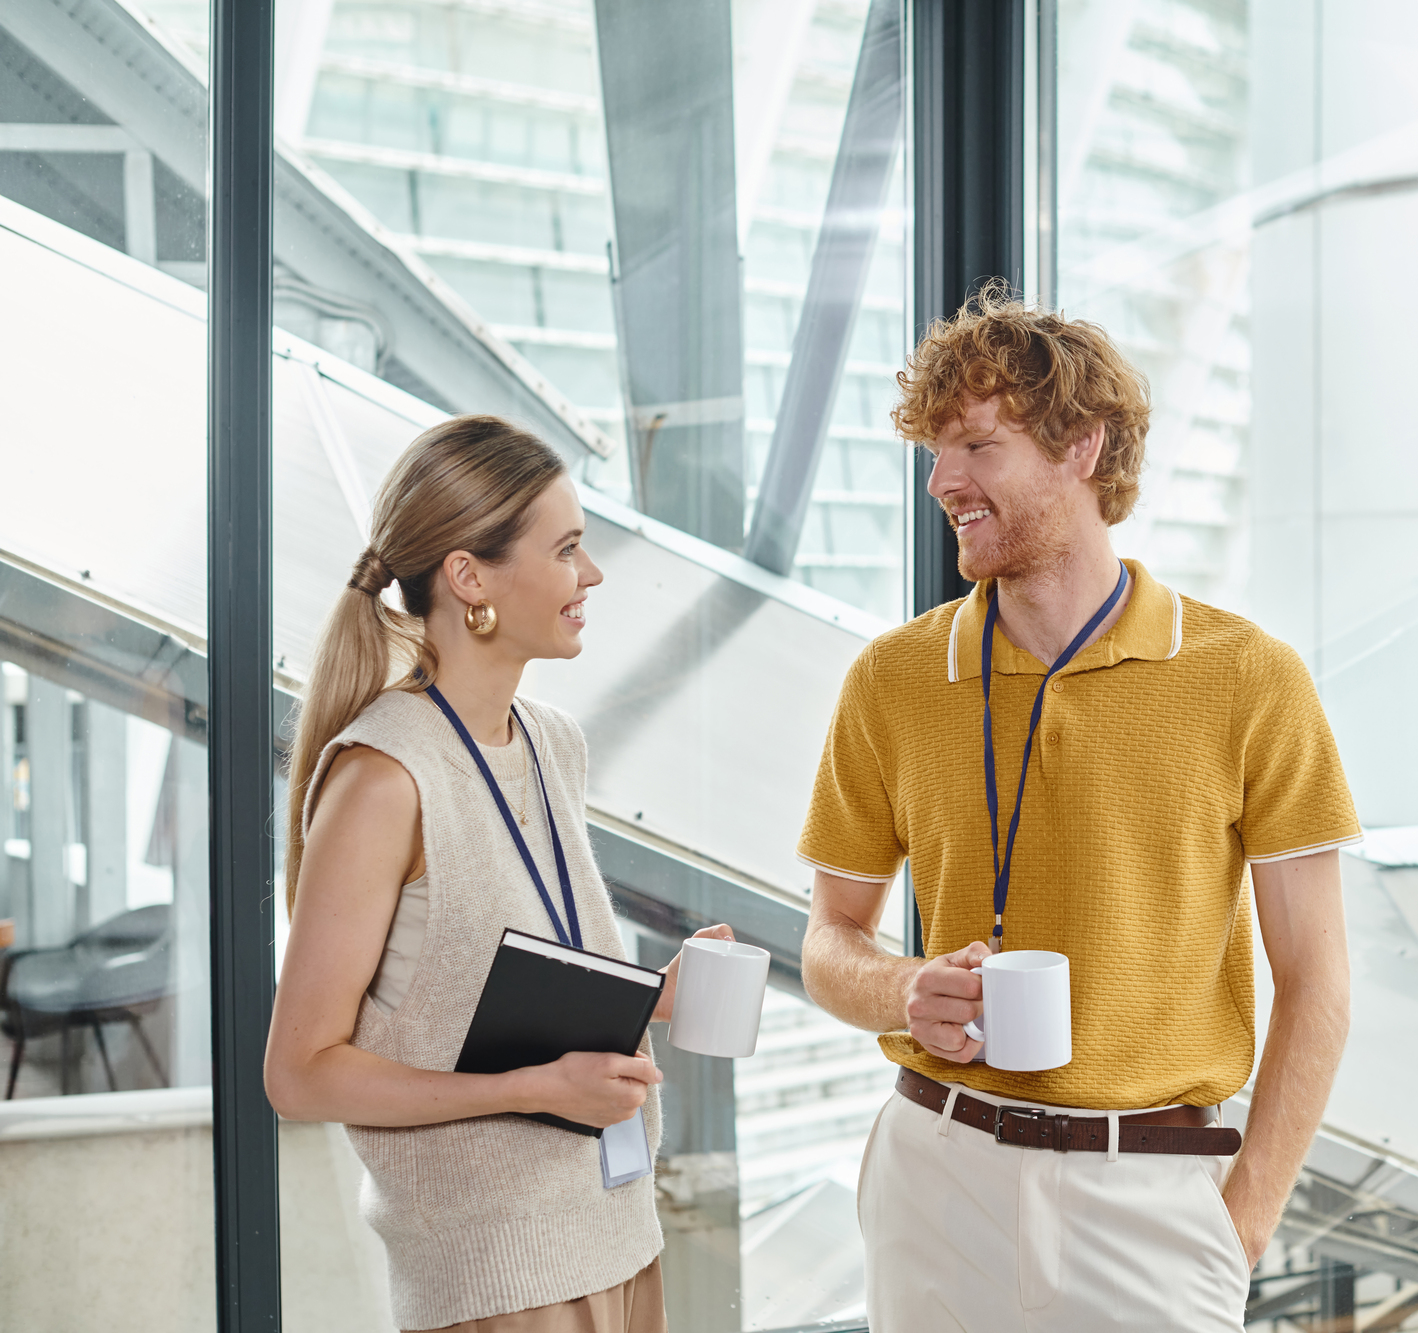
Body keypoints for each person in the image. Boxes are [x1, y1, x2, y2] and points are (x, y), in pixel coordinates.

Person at [797, 285, 1362, 1331]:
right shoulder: (893, 678)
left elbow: (1317, 979)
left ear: (1081, 450)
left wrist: (1242, 1219)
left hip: (1148, 1198)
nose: (942, 481)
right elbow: (829, 937)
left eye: (975, 445)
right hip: (936, 1177)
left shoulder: (1248, 677)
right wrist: (900, 987)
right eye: (934, 452)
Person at [265, 415, 731, 1333]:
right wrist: (528, 1090)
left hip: (620, 1239)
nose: (590, 574)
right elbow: (300, 1073)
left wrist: (654, 997)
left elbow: (499, 979)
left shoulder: (553, 742)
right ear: (469, 577)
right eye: (565, 550)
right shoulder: (384, 779)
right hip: (497, 1282)